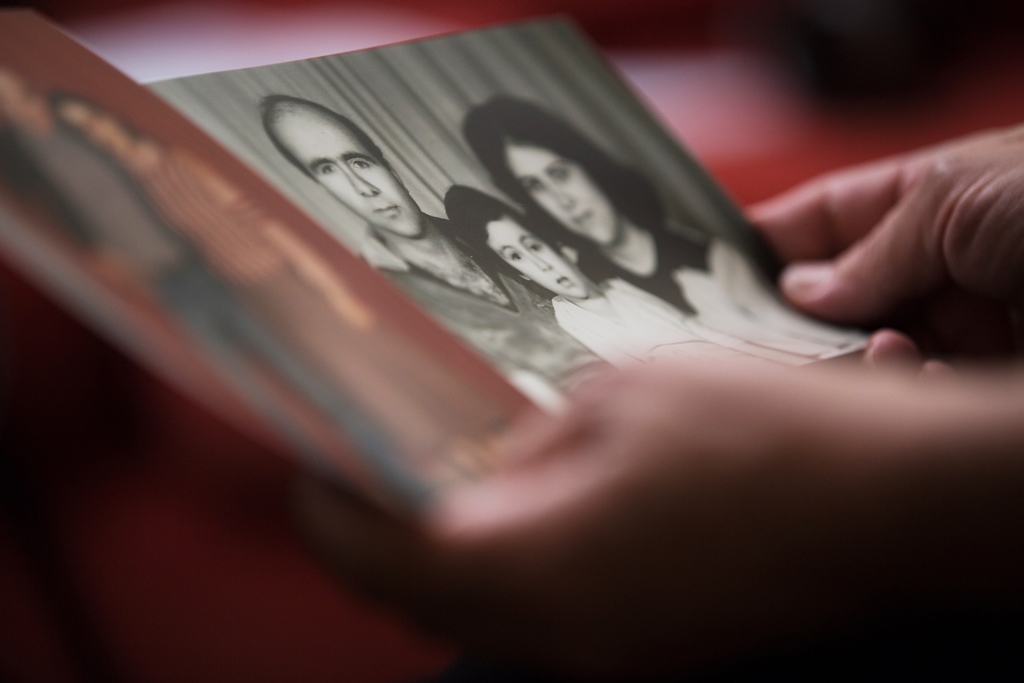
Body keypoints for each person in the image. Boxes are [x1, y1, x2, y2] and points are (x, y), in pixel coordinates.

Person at [295, 125, 1024, 680]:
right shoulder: (379, 293)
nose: (557, 210)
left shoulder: (660, 282)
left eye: (358, 159)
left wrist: (906, 474)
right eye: (324, 170)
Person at [462, 95, 865, 358]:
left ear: (589, 166)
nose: (561, 200)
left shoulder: (709, 255)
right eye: (535, 187)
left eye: (560, 173)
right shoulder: (580, 288)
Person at [261, 95, 597, 393]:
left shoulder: (492, 228)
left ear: (388, 167)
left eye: (359, 162)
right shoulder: (371, 306)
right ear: (321, 188)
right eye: (327, 170)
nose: (363, 187)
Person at [445, 185, 810, 366]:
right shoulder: (571, 324)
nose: (541, 266)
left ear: (557, 245)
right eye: (515, 257)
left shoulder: (620, 285)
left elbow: (714, 334)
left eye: (534, 246)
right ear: (516, 272)